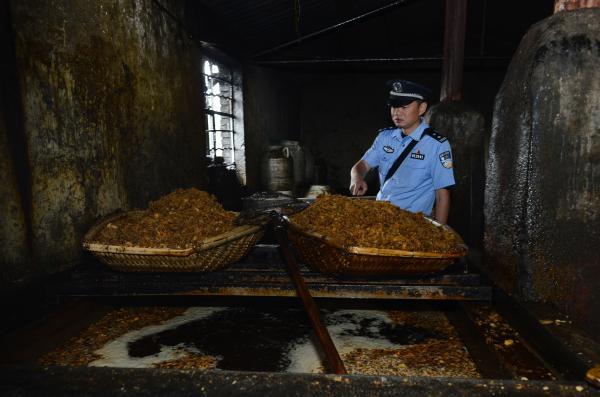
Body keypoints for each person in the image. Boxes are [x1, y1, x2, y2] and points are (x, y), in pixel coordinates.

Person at [349, 79, 455, 223]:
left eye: (404, 107)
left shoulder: (436, 145)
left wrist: (441, 233)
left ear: (422, 108)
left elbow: (442, 195)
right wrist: (357, 177)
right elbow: (362, 165)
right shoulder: (384, 138)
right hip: (381, 219)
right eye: (394, 107)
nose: (397, 113)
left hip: (413, 225)